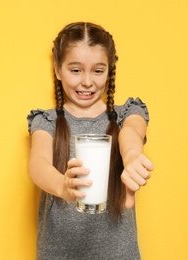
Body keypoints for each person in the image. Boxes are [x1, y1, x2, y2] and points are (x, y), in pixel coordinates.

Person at [27, 22, 154, 259]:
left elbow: (131, 134)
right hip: (59, 252)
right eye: (75, 70)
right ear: (57, 69)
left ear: (110, 71)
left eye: (98, 70)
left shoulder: (127, 113)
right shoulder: (47, 121)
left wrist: (132, 156)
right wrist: (62, 186)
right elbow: (38, 164)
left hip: (118, 253)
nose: (87, 82)